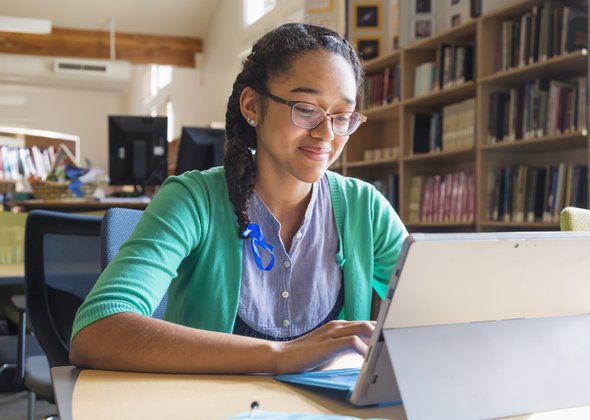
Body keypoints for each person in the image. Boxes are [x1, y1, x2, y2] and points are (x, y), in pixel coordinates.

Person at [70, 23, 407, 375]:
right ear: (252, 106)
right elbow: (97, 330)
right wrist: (281, 355)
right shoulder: (192, 200)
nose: (326, 133)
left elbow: (436, 311)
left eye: (341, 116)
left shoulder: (365, 208)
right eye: (306, 109)